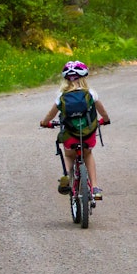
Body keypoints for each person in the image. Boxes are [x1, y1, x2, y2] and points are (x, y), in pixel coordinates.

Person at [40, 60, 111, 199]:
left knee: (69, 155)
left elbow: (51, 114)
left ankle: (66, 175)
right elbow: (102, 111)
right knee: (88, 154)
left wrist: (44, 123)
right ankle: (95, 188)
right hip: (88, 134)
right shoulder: (90, 93)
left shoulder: (62, 97)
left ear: (66, 80)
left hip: (70, 135)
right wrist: (105, 120)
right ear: (84, 78)